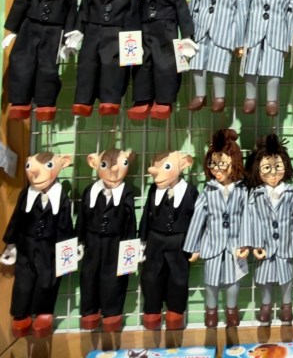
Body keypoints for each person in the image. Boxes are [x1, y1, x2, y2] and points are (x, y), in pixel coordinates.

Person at [3, 0, 77, 122]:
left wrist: (69, 37)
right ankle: (20, 101)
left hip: (54, 32)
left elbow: (71, 11)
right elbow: (20, 4)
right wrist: (12, 31)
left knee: (48, 67)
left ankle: (46, 103)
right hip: (29, 28)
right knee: (21, 62)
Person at [0, 152, 74, 339]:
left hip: (49, 247)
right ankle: (20, 312)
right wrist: (10, 242)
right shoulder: (26, 194)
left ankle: (44, 311)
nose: (35, 173)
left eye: (47, 166)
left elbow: (65, 224)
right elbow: (17, 218)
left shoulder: (61, 197)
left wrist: (67, 249)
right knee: (23, 278)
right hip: (26, 244)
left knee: (47, 278)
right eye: (29, 167)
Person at [184, 128, 249, 329]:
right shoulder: (208, 191)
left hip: (234, 246)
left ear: (234, 162)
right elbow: (198, 219)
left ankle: (231, 310)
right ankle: (211, 310)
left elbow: (247, 217)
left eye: (222, 164)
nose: (217, 169)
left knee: (233, 281)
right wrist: (193, 247)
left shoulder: (242, 191)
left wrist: (246, 243)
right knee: (211, 281)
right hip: (212, 245)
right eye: (213, 164)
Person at [71, 0, 139, 117]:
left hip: (116, 34)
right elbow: (84, 9)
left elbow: (132, 15)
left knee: (113, 67)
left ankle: (110, 100)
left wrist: (132, 43)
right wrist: (78, 30)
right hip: (92, 32)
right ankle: (83, 100)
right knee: (87, 64)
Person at [243, 133, 293, 324]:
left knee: (286, 279)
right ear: (257, 169)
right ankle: (266, 306)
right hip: (264, 247)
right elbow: (249, 219)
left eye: (278, 167)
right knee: (264, 279)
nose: (273, 173)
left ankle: (287, 307)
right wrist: (254, 245)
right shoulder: (256, 195)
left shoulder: (292, 193)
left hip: (286, 245)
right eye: (266, 168)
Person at [76, 148, 137, 332]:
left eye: (122, 164)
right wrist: (78, 240)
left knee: (114, 277)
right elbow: (82, 217)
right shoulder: (90, 191)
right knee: (89, 274)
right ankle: (89, 310)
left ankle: (112, 311)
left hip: (116, 241)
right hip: (92, 240)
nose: (114, 170)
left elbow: (130, 220)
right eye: (105, 164)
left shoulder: (126, 192)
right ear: (94, 163)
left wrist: (131, 244)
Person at [138, 149, 197, 331]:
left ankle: (175, 312)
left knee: (178, 278)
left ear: (184, 164)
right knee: (150, 277)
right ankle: (152, 310)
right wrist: (141, 241)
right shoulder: (154, 189)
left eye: (166, 166)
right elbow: (146, 215)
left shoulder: (190, 191)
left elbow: (196, 220)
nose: (155, 171)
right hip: (155, 239)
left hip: (180, 241)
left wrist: (196, 245)